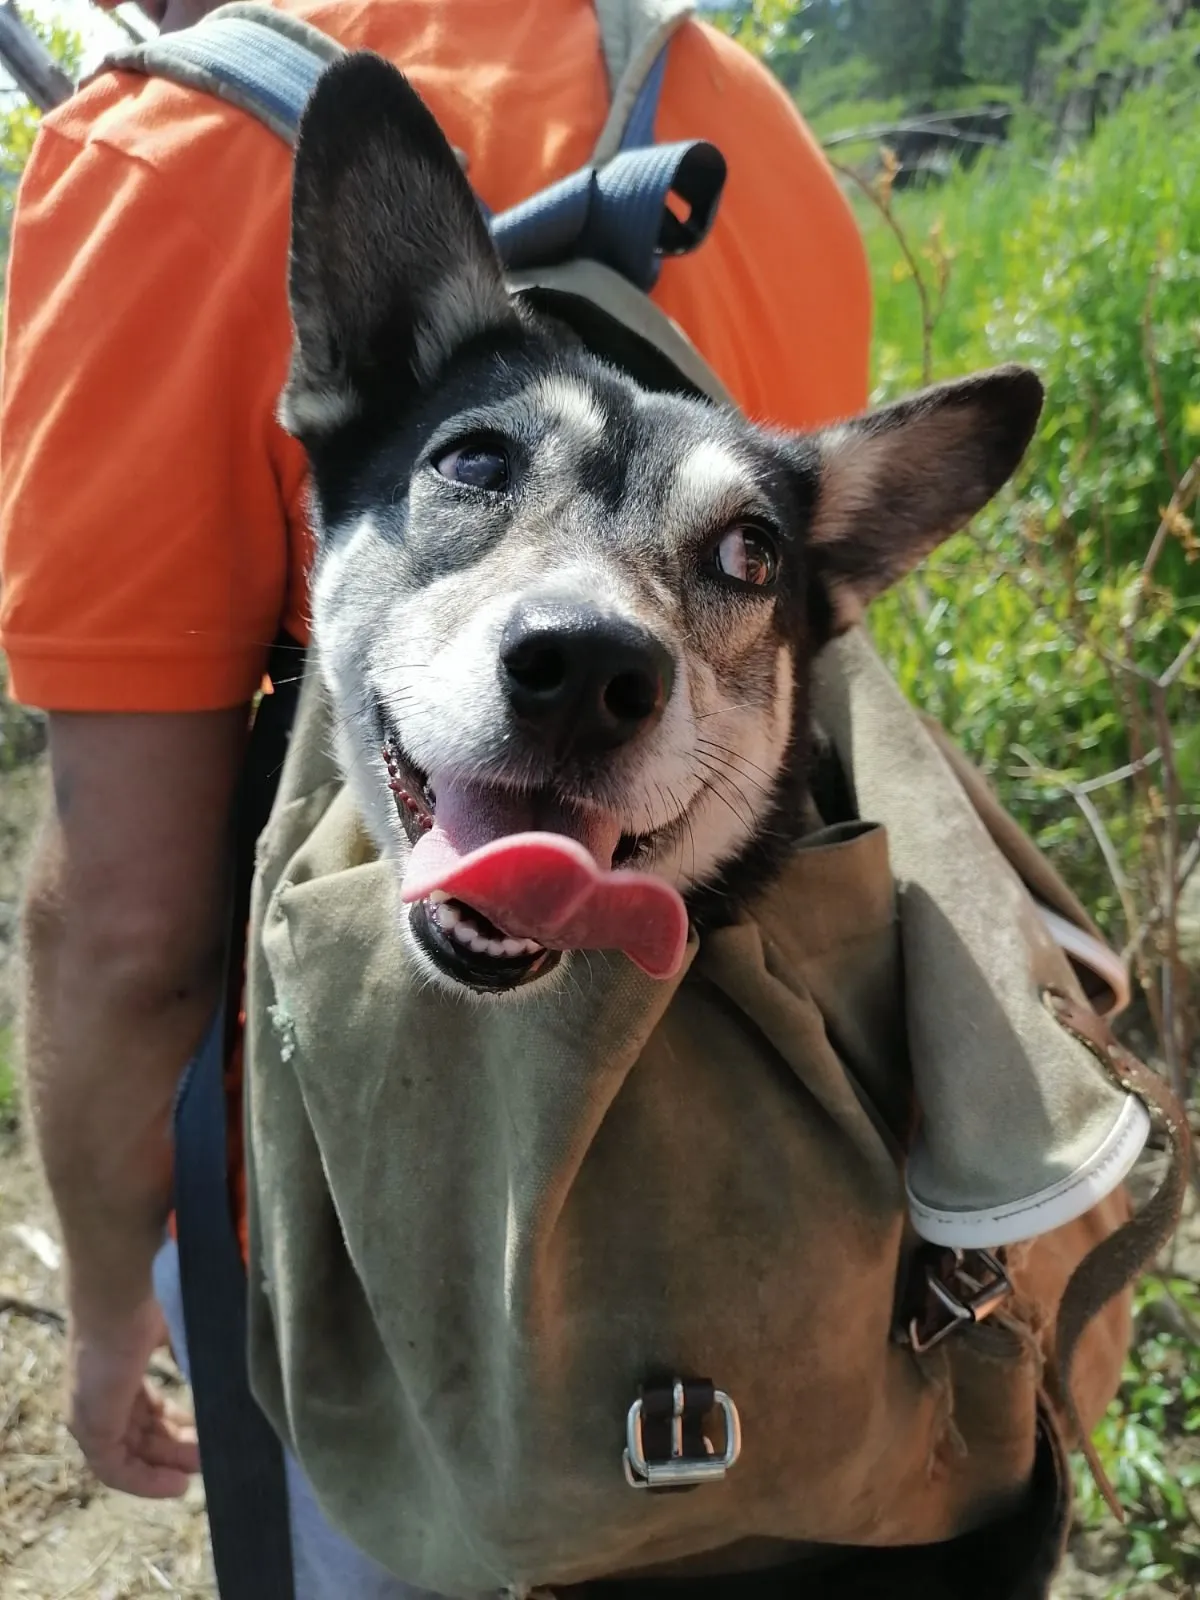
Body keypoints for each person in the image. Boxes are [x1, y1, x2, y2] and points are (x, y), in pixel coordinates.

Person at [0, 0, 871, 1591]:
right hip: (786, 1229)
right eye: (475, 474)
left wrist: (117, 1298)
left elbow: (125, 926)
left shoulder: (154, 158)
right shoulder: (750, 118)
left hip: (370, 1260)